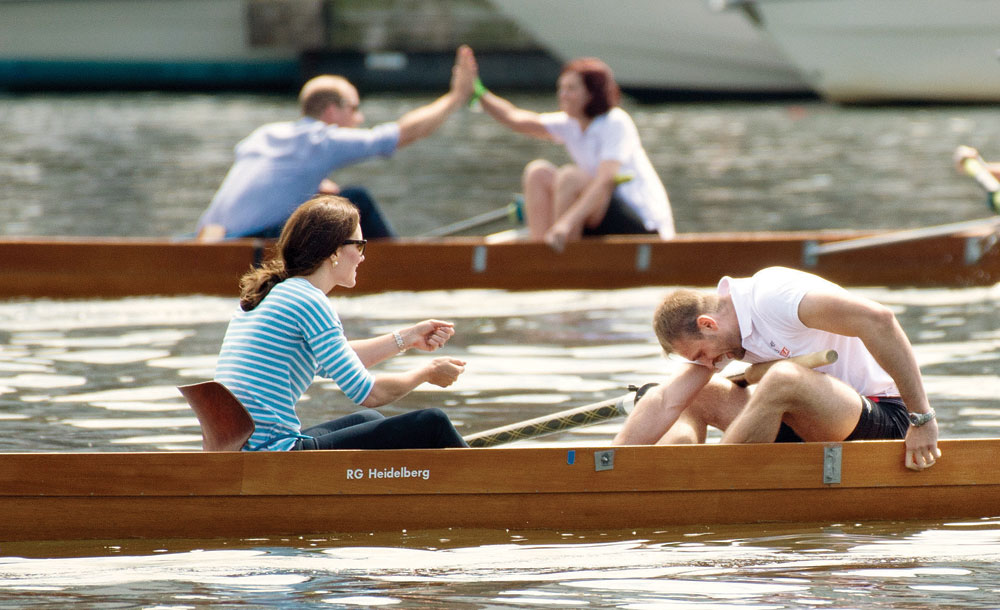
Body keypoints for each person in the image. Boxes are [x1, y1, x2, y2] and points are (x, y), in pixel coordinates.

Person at [613, 266, 941, 471]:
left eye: (702, 354)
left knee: (784, 378)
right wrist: (605, 465)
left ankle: (711, 481)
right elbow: (666, 399)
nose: (709, 364)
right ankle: (670, 478)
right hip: (811, 422)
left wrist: (922, 418)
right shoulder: (726, 331)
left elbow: (879, 320)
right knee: (698, 394)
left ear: (708, 324)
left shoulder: (775, 297)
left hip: (885, 417)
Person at [213, 194, 469, 451]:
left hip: (248, 450)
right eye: (359, 246)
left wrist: (408, 337)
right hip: (271, 454)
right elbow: (370, 394)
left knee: (370, 422)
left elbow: (339, 359)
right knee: (433, 422)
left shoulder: (279, 293)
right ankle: (496, 487)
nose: (362, 257)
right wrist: (427, 373)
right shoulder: (309, 302)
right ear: (334, 250)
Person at [195, 46, 477, 241]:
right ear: (331, 112)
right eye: (354, 108)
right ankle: (400, 265)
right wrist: (455, 98)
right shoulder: (322, 139)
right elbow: (403, 134)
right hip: (250, 241)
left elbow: (270, 182)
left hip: (208, 237)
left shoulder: (265, 134)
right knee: (356, 200)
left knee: (328, 199)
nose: (359, 117)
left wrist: (319, 187)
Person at [467, 50, 674, 251]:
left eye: (571, 89)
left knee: (569, 177)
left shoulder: (615, 122)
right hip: (599, 213)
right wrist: (478, 92)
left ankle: (564, 258)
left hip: (641, 222)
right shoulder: (570, 123)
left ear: (592, 94)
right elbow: (515, 118)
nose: (562, 95)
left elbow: (605, 181)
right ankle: (539, 255)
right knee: (538, 173)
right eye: (561, 88)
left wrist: (565, 223)